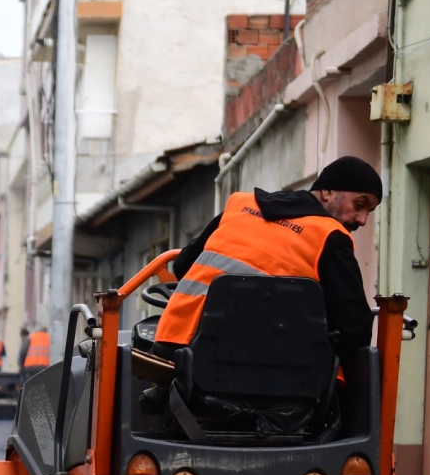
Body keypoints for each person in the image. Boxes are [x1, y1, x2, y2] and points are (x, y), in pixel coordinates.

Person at [152, 155, 381, 368]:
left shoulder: (241, 205)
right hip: (261, 372)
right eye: (359, 205)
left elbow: (182, 265)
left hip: (175, 348)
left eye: (368, 212)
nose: (362, 220)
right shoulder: (330, 236)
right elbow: (354, 329)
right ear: (328, 192)